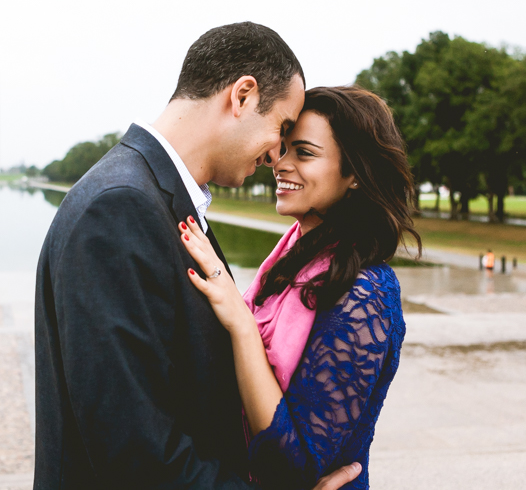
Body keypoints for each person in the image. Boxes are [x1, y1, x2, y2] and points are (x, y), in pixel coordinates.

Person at [34, 23, 360, 489]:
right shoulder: (120, 207)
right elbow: (136, 453)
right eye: (282, 128)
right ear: (242, 96)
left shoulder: (151, 195)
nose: (276, 155)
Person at [179, 86, 419, 489]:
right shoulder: (291, 259)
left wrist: (242, 326)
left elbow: (294, 466)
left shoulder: (366, 292)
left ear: (355, 175)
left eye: (304, 153)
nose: (280, 163)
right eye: (283, 148)